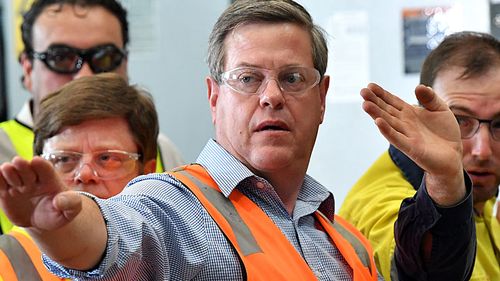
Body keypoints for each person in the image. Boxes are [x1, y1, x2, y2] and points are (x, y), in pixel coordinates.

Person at [0, 0, 475, 280]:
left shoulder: (345, 242)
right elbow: (111, 238)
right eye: (248, 79)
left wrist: (446, 181)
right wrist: (57, 227)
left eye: (292, 78)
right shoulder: (171, 207)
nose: (271, 96)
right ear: (214, 96)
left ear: (322, 97)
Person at [0, 0, 184, 235]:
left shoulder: (162, 150)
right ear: (27, 69)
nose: (84, 75)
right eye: (60, 58)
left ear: (125, 64)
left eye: (104, 58)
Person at [339, 31, 499, 281]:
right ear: (423, 116)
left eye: (499, 124)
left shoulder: (481, 195)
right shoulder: (378, 202)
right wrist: (445, 183)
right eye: (458, 121)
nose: (482, 150)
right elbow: (416, 265)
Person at [0, 73, 158, 281]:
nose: (84, 174)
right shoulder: (8, 261)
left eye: (107, 158)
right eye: (64, 159)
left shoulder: (177, 252)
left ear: (147, 172)